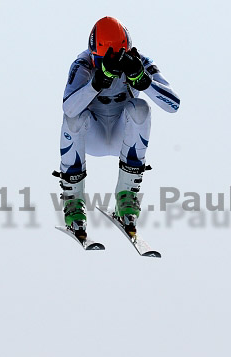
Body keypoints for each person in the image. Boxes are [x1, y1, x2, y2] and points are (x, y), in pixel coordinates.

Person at [56, 16, 180, 239]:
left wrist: (145, 81)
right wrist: (95, 83)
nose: (105, 63)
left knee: (140, 107)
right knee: (72, 119)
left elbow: (173, 105)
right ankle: (73, 200)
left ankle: (127, 195)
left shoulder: (140, 61)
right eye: (100, 59)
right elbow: (69, 107)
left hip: (124, 135)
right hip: (93, 133)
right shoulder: (83, 64)